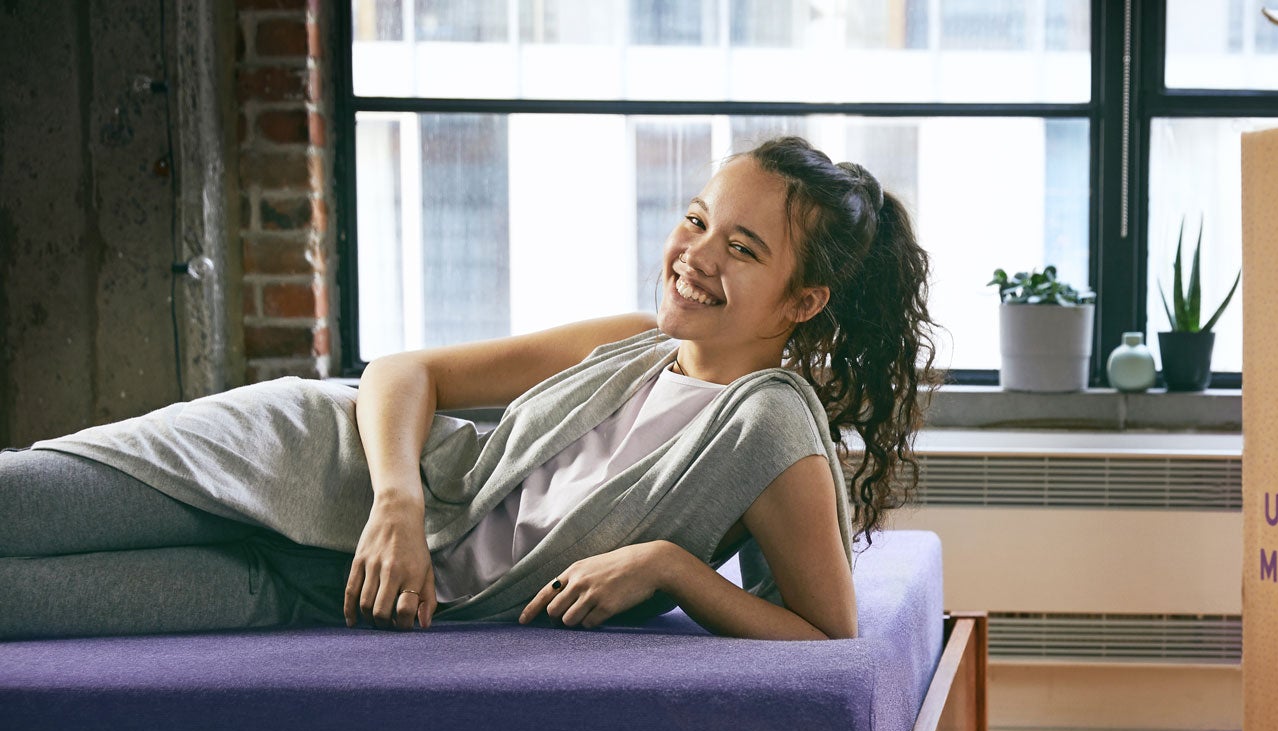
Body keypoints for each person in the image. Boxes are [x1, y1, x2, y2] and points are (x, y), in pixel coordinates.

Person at [0, 134, 940, 642]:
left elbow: (825, 630)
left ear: (804, 299)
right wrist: (399, 504)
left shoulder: (768, 426)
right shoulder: (630, 343)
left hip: (325, 593)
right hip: (314, 464)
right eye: (697, 221)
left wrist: (671, 568)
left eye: (742, 248)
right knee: (20, 506)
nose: (693, 257)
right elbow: (407, 371)